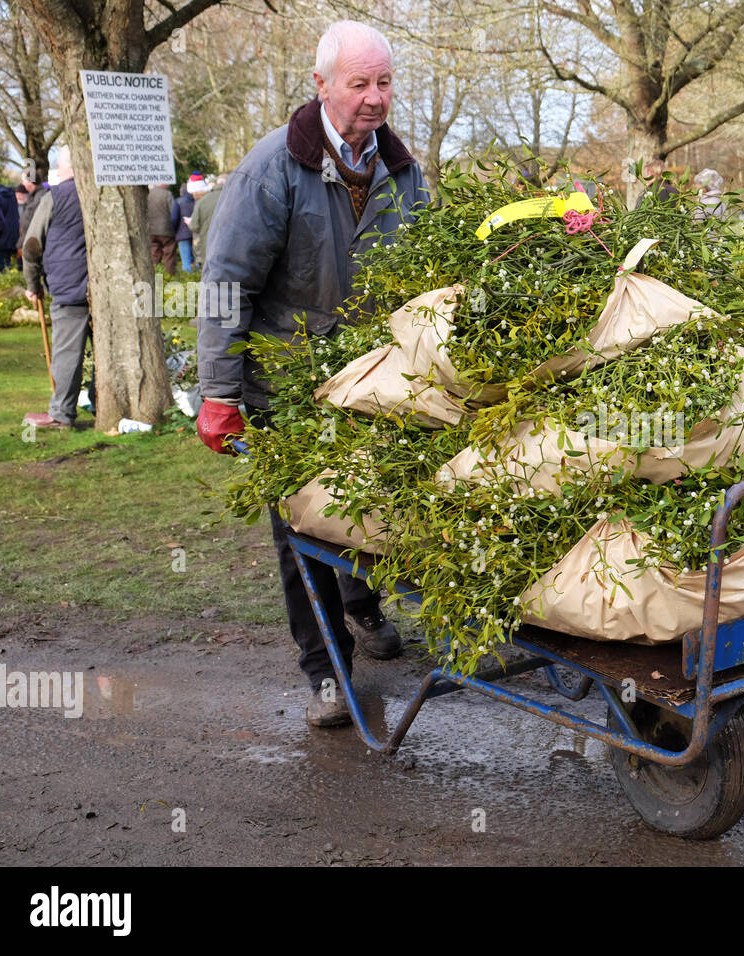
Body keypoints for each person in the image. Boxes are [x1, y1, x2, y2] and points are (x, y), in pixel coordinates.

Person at [195, 20, 431, 728]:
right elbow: (226, 280)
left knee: (365, 503)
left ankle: (361, 604)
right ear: (322, 85)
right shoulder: (274, 169)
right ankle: (324, 670)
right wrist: (217, 390)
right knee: (299, 526)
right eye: (358, 83)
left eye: (383, 82)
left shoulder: (401, 170)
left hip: (372, 380)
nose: (373, 98)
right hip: (287, 381)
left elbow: (426, 272)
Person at [21, 148, 91, 430]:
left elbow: (32, 246)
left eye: (59, 168)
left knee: (66, 352)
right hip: (99, 288)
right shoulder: (101, 192)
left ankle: (61, 412)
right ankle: (98, 401)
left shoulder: (57, 196)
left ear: (66, 168)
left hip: (69, 287)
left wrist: (32, 284)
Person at [188, 175, 220, 269]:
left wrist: (190, 222)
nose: (193, 196)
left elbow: (194, 226)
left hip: (206, 245)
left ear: (199, 191)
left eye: (194, 193)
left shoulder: (201, 202)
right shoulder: (227, 195)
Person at [147, 183, 178, 274]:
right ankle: (170, 276)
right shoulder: (167, 194)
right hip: (166, 229)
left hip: (151, 229)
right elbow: (173, 212)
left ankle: (155, 273)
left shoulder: (148, 193)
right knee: (169, 254)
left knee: (154, 252)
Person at [18, 164, 49, 252]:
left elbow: (35, 224)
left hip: (37, 246)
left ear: (30, 182)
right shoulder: (31, 197)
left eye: (23, 181)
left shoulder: (41, 197)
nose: (22, 184)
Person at [171, 175, 199, 272]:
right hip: (196, 233)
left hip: (183, 234)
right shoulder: (198, 201)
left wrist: (175, 231)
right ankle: (199, 279)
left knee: (186, 261)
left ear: (181, 191)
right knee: (197, 260)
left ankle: (188, 283)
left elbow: (174, 219)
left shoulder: (178, 201)